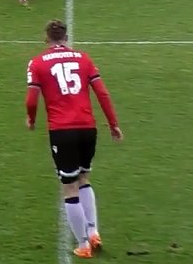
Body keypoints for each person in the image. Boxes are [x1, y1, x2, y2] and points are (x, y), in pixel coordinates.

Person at [25, 20, 123, 260]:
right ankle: (93, 230)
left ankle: (82, 244)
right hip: (88, 128)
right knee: (84, 178)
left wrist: (31, 118)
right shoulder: (84, 59)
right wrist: (113, 124)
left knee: (69, 187)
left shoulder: (37, 63)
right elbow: (102, 93)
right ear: (66, 37)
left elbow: (31, 99)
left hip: (62, 130)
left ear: (46, 38)